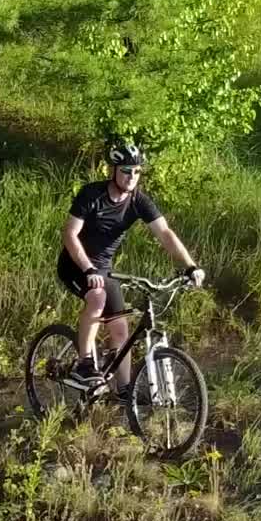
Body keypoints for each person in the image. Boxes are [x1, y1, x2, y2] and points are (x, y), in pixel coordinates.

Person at [58, 142, 204, 395]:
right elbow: (70, 234)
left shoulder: (138, 201)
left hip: (104, 269)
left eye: (137, 171)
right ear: (112, 170)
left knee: (120, 327)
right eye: (126, 171)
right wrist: (88, 268)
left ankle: (124, 390)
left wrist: (190, 266)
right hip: (75, 264)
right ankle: (84, 364)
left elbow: (165, 234)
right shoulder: (92, 195)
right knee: (97, 297)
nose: (132, 177)